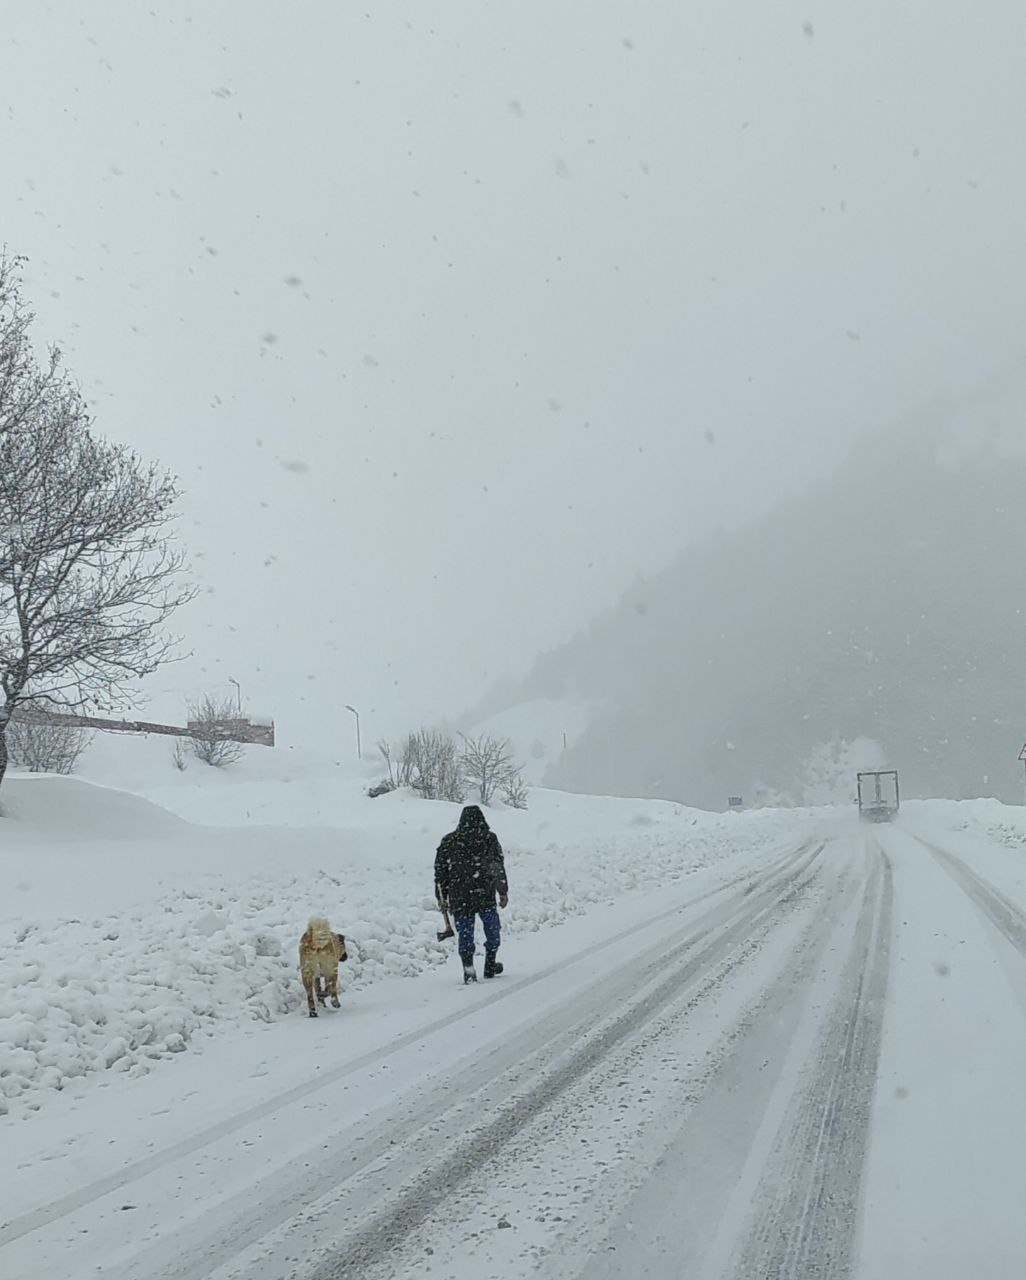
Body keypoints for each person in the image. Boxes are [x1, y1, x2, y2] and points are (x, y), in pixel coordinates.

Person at [434, 804, 509, 983]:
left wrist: (442, 897)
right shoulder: (489, 838)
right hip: (485, 893)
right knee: (493, 930)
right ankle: (490, 963)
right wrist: (502, 891)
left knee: (465, 933)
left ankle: (468, 968)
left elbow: (440, 873)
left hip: (460, 896)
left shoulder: (449, 841)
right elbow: (497, 866)